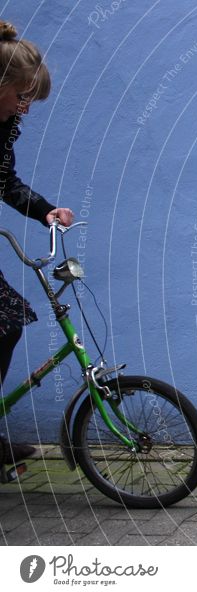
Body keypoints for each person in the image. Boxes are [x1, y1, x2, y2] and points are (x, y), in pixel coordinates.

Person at [0, 20, 73, 465]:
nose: (27, 107)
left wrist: (45, 209)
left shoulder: (3, 130)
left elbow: (5, 182)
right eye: (23, 96)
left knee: (6, 323)